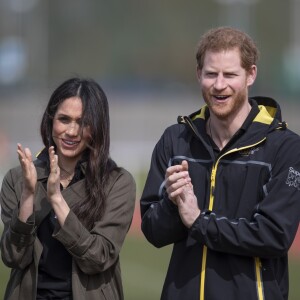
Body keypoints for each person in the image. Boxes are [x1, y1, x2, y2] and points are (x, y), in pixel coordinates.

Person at [140, 26, 300, 300]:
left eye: (230, 74)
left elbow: (274, 236)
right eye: (211, 74)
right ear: (198, 74)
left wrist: (199, 222)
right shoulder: (175, 140)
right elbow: (153, 232)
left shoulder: (284, 146)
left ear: (251, 75)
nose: (219, 85)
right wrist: (172, 202)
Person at [0, 77, 136, 300]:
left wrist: (56, 199)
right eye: (64, 119)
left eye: (83, 122)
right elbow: (13, 257)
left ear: (98, 127)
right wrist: (27, 196)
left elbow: (97, 257)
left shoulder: (117, 182)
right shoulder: (17, 179)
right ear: (50, 121)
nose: (72, 131)